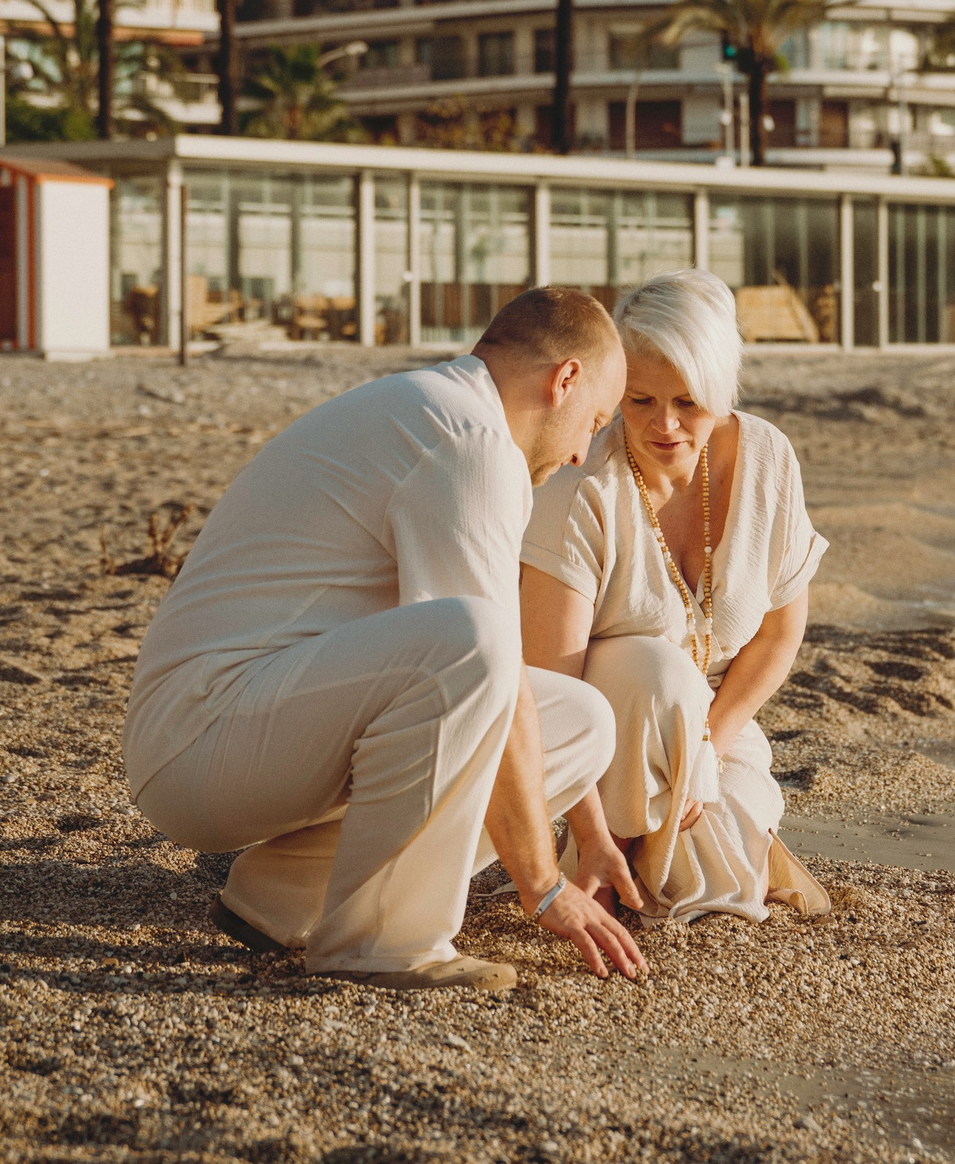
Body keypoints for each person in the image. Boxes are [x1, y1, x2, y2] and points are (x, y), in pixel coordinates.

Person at [123, 287, 647, 992]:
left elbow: (493, 696)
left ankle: (283, 895)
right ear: (566, 380)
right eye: (596, 421)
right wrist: (544, 883)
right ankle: (382, 941)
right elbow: (477, 654)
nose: (583, 452)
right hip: (200, 737)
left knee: (581, 723)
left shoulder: (444, 410)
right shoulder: (470, 439)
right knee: (476, 639)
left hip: (243, 720)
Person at [520, 269, 832, 925]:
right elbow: (552, 687)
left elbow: (779, 633)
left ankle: (671, 847)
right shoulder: (582, 486)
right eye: (639, 400)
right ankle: (611, 850)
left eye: (688, 402)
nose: (663, 425)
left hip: (715, 722)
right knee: (655, 670)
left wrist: (708, 749)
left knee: (723, 880)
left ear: (722, 390)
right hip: (602, 734)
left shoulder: (768, 459)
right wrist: (593, 832)